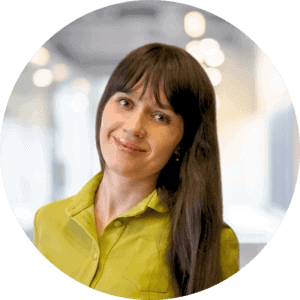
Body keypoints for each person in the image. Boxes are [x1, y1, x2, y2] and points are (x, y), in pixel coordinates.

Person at [34, 43, 239, 299]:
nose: (133, 127)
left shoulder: (208, 241)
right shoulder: (48, 221)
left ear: (183, 142)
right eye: (125, 102)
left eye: (160, 117)